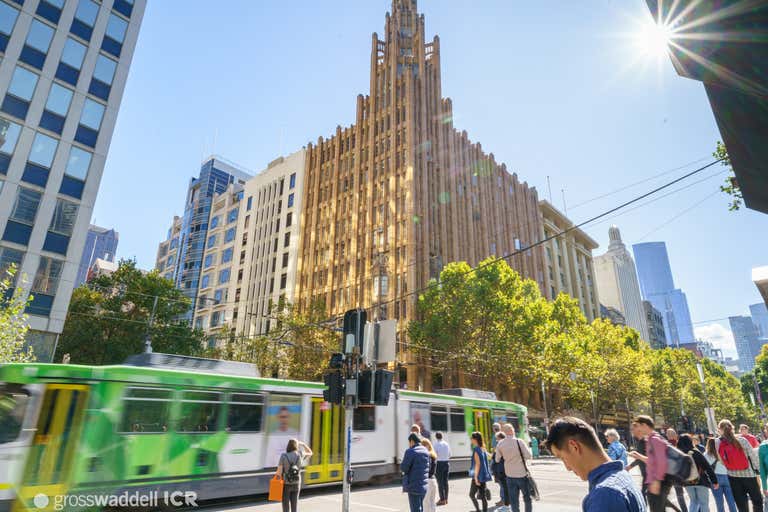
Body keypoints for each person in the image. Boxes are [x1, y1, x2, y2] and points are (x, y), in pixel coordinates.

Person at [546, 417, 644, 512]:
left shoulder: (605, 494)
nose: (567, 468)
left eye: (562, 458)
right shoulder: (623, 476)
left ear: (574, 447)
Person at [717, 419, 762, 512]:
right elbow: (753, 456)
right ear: (732, 428)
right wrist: (758, 470)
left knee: (742, 505)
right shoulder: (742, 440)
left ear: (720, 430)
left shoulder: (719, 443)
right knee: (757, 501)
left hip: (733, 478)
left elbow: (722, 462)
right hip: (749, 475)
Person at [632, 415, 671, 512]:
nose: (637, 429)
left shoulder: (655, 439)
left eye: (638, 426)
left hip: (658, 483)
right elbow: (654, 461)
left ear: (644, 425)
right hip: (654, 482)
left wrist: (657, 481)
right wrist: (640, 457)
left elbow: (662, 461)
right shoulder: (650, 439)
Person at [495, 423, 533, 512]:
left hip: (509, 476)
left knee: (514, 501)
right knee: (527, 498)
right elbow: (529, 456)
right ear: (512, 431)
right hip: (522, 475)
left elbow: (497, 460)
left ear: (504, 432)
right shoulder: (519, 441)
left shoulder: (500, 443)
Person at [677, 434, 718, 512]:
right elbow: (707, 467)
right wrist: (714, 481)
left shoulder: (679, 454)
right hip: (701, 481)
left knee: (693, 502)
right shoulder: (696, 452)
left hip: (687, 482)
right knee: (703, 503)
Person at [275, 439, 313, 512]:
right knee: (294, 506)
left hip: (286, 484)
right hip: (296, 483)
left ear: (288, 446)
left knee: (285, 506)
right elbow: (310, 453)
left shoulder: (283, 456)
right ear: (296, 446)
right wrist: (303, 444)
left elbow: (279, 473)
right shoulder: (300, 454)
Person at [705, 436, 738, 512]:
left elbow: (705, 468)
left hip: (715, 478)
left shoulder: (706, 454)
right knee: (731, 501)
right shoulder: (723, 451)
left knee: (719, 502)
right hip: (727, 476)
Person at [402, 433, 430, 512]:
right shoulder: (426, 451)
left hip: (413, 486)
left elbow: (404, 468)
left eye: (409, 442)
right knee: (420, 508)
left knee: (415, 510)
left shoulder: (410, 451)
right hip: (423, 486)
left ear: (411, 441)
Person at [665, 428, 689, 512]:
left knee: (680, 495)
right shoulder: (681, 443)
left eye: (667, 434)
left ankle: (684, 510)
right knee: (691, 493)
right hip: (685, 472)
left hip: (674, 474)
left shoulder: (667, 446)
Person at [469, 431, 492, 512]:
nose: (471, 439)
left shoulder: (476, 450)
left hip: (478, 476)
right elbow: (490, 457)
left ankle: (478, 510)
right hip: (483, 475)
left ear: (475, 439)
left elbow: (477, 465)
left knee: (471, 495)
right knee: (482, 496)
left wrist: (475, 478)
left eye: (472, 438)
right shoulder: (483, 448)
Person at [421, 438, 439, 512]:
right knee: (432, 502)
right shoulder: (433, 455)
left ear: (426, 446)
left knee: (426, 503)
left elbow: (427, 468)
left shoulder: (427, 455)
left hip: (427, 481)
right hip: (434, 480)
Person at [434, 432, 451, 506]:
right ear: (442, 436)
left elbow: (434, 455)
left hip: (439, 464)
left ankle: (442, 499)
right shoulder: (446, 444)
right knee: (445, 482)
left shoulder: (436, 444)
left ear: (436, 437)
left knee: (440, 482)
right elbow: (450, 454)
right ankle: (446, 499)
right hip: (446, 463)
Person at [493, 432, 509, 507]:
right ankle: (503, 500)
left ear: (500, 438)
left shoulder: (501, 446)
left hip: (501, 469)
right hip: (500, 469)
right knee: (502, 485)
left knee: (503, 485)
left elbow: (497, 459)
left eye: (497, 438)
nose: (496, 440)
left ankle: (504, 500)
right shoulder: (503, 445)